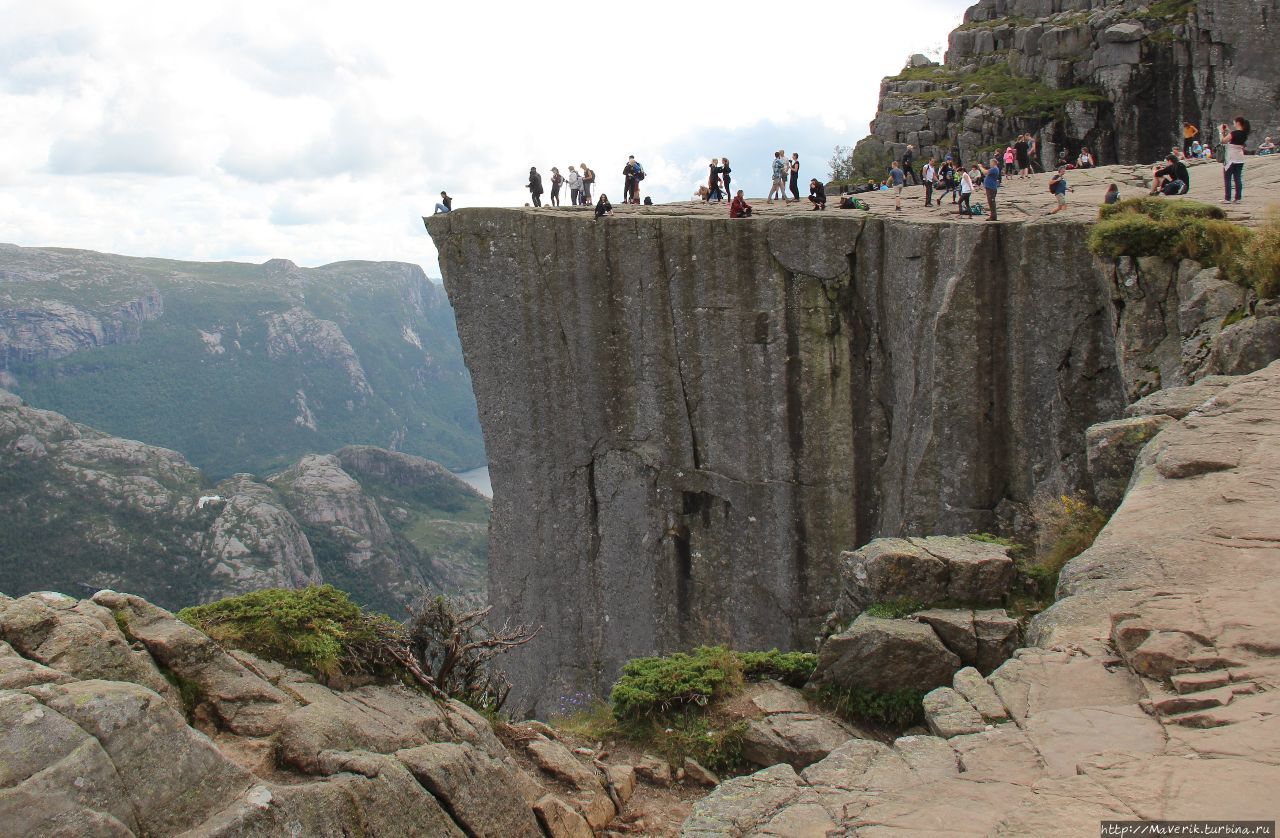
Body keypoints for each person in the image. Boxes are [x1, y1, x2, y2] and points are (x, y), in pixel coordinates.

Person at [1220, 117, 1250, 203]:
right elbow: (1234, 137)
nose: (1233, 124)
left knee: (1228, 178)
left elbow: (1223, 141)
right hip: (1240, 157)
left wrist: (1221, 132)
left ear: (1237, 123)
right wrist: (1228, 131)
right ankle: (1238, 198)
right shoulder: (1244, 134)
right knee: (1237, 178)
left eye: (1234, 122)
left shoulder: (1234, 133)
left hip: (1231, 157)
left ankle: (1227, 198)